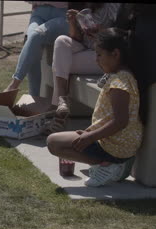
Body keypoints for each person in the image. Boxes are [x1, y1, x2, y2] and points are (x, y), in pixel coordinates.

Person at [46, 28, 143, 187]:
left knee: (53, 143)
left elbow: (121, 121)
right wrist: (91, 132)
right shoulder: (122, 75)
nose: (96, 60)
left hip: (115, 147)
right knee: (59, 140)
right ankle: (110, 164)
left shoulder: (120, 84)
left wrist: (90, 137)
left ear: (116, 54)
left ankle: (109, 165)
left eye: (99, 54)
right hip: (115, 143)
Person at [45, 3, 121, 134]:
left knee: (60, 63)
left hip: (104, 56)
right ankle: (62, 101)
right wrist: (73, 23)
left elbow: (120, 34)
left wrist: (99, 31)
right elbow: (77, 39)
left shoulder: (113, 6)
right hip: (86, 50)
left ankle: (58, 113)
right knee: (61, 41)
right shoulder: (86, 6)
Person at [2, 2, 69, 96]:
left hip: (64, 15)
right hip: (39, 13)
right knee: (32, 41)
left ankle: (13, 85)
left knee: (36, 36)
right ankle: (34, 98)